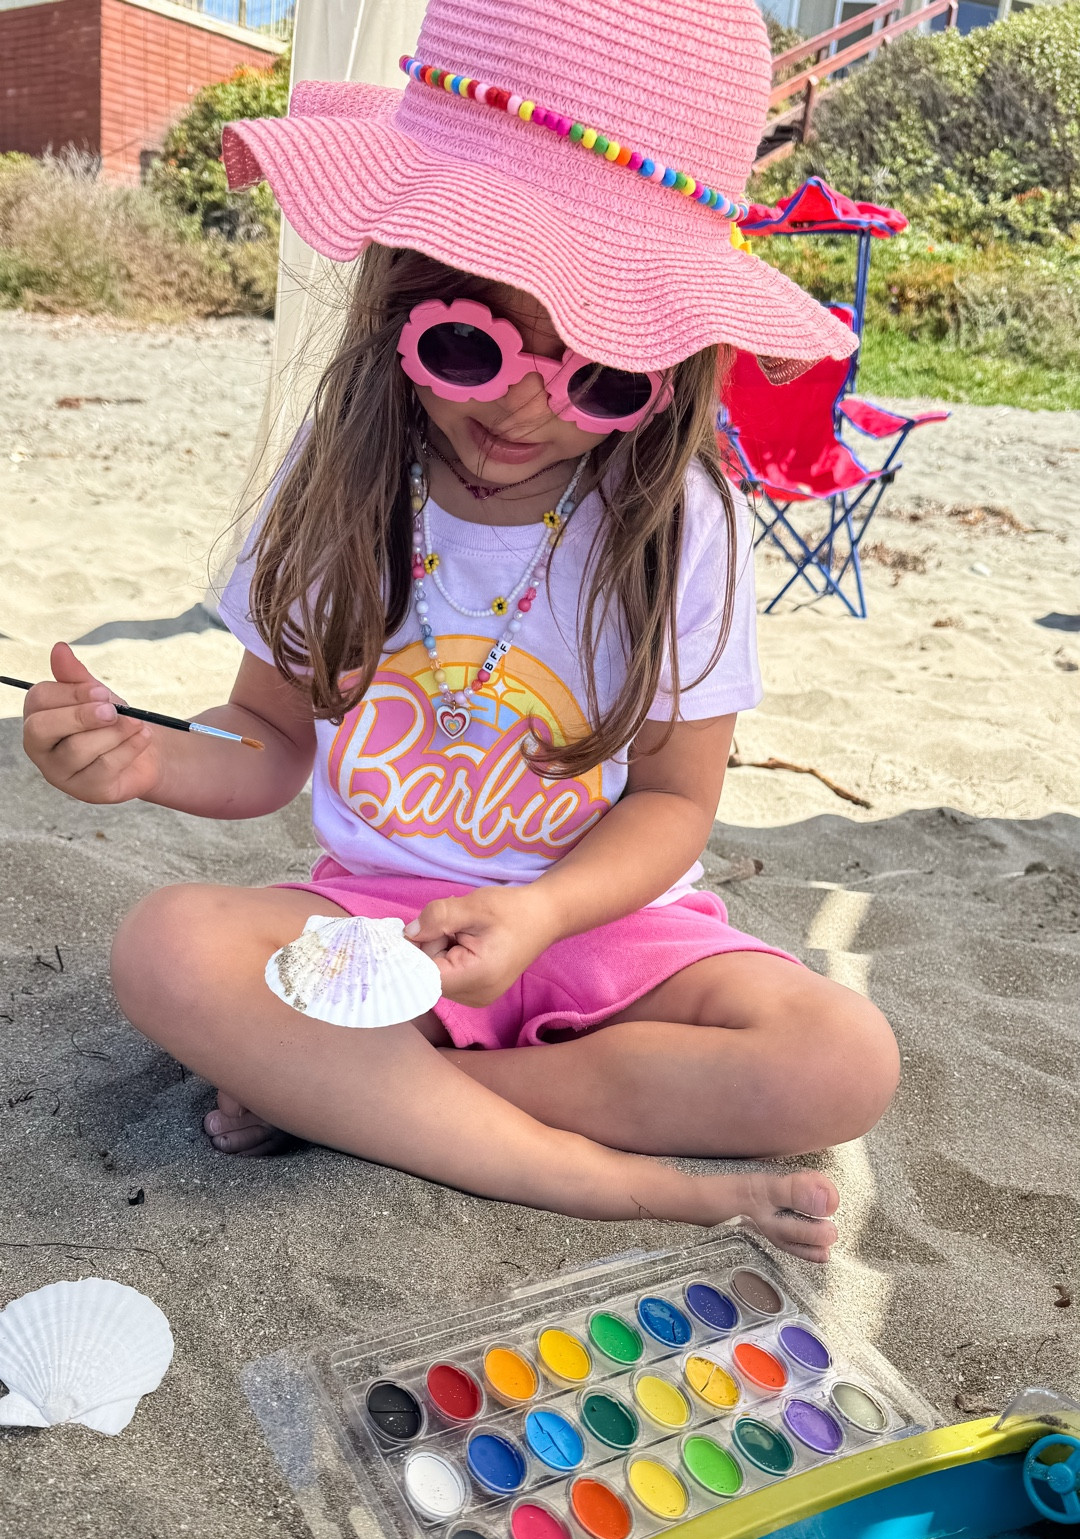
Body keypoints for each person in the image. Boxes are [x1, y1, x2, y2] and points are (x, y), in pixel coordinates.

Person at [18, 0, 898, 1250]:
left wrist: (539, 916)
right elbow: (268, 737)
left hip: (606, 928)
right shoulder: (338, 480)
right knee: (169, 945)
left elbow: (673, 804)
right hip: (378, 926)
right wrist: (154, 760)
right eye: (473, 342)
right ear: (399, 299)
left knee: (840, 1057)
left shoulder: (681, 520)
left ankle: (387, 1104)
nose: (529, 412)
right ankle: (579, 1163)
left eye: (599, 374)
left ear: (670, 366)